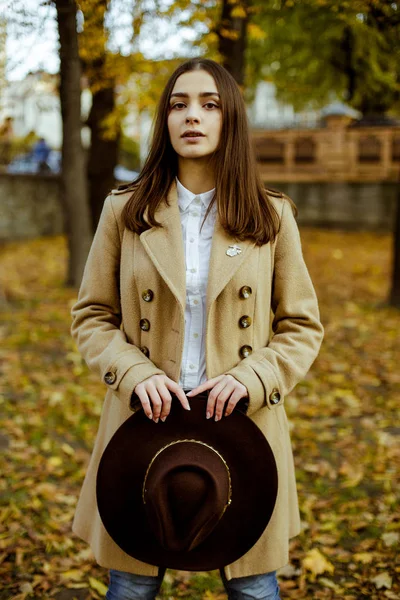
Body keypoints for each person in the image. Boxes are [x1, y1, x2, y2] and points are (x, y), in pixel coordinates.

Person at [70, 57, 324, 600]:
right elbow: (92, 316)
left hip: (243, 423)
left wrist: (253, 378)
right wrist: (134, 372)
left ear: (229, 119)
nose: (193, 116)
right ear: (164, 121)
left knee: (254, 587)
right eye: (179, 104)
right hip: (143, 420)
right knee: (131, 587)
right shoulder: (125, 210)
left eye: (209, 105)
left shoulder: (270, 216)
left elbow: (302, 326)